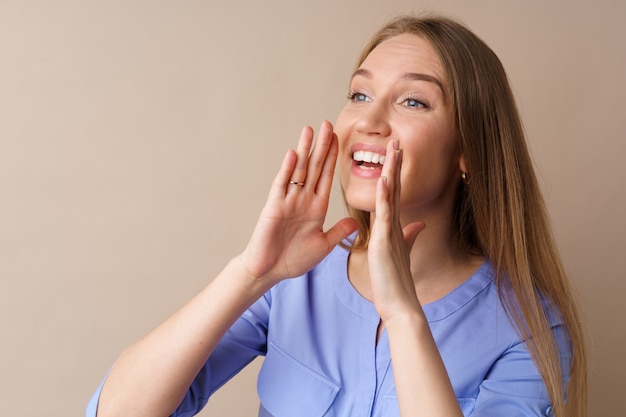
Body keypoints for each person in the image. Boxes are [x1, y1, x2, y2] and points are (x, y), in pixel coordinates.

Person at [87, 14, 587, 417]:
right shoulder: (294, 280)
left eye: (413, 101)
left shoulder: (531, 332)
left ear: (469, 153)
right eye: (359, 94)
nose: (369, 121)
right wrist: (249, 274)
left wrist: (403, 317)